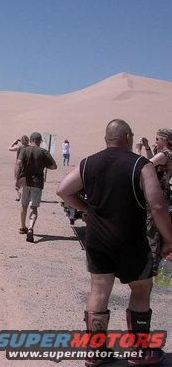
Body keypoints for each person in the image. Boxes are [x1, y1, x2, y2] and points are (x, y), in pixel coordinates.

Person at [57, 119, 172, 366]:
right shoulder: (140, 164)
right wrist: (170, 240)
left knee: (99, 290)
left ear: (106, 139)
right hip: (132, 239)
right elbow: (158, 205)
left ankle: (96, 352)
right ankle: (140, 352)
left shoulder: (89, 163)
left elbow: (64, 190)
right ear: (129, 138)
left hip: (97, 239)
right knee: (140, 289)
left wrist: (86, 208)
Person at [135, 128, 172, 276]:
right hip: (161, 196)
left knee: (152, 230)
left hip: (155, 197)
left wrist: (138, 150)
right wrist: (148, 147)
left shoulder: (165, 155)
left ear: (164, 140)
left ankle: (151, 266)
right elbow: (153, 164)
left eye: (157, 139)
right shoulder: (166, 155)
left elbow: (143, 167)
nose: (155, 141)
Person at [15, 132, 57, 242]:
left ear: (31, 140)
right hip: (37, 183)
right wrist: (43, 164)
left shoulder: (24, 150)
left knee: (24, 205)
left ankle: (22, 227)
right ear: (38, 141)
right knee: (34, 207)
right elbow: (54, 166)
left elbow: (18, 163)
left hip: (24, 181)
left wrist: (17, 179)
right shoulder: (43, 151)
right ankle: (30, 228)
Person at [9, 135, 29, 201]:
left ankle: (20, 196)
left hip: (19, 166)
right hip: (27, 166)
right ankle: (23, 195)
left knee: (17, 181)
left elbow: (10, 148)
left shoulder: (19, 147)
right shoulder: (29, 148)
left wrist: (14, 142)